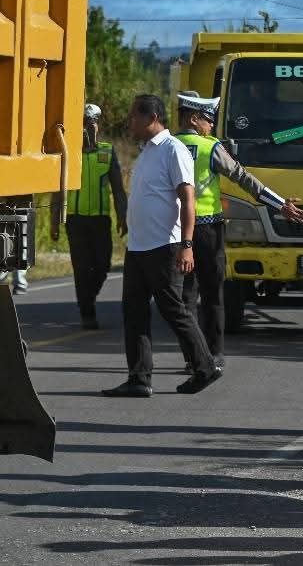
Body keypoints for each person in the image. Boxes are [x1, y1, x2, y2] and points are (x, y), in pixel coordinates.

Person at [174, 91, 303, 371]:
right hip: (208, 230)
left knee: (186, 297)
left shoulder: (165, 145)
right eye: (208, 119)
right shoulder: (210, 148)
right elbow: (243, 178)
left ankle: (192, 356)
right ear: (193, 118)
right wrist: (280, 204)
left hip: (174, 233)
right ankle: (213, 353)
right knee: (212, 295)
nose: (211, 125)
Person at [102, 94, 222, 398]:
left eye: (133, 115)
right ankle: (139, 378)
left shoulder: (173, 149)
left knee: (173, 309)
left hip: (164, 246)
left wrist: (187, 245)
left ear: (151, 117)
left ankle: (205, 367)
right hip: (139, 247)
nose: (129, 121)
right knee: (134, 311)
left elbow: (188, 199)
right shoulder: (147, 152)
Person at [54, 103, 127, 329]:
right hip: (75, 220)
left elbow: (118, 188)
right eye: (85, 122)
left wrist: (123, 217)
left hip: (100, 219)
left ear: (99, 124)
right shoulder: (69, 152)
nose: (89, 126)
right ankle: (87, 312)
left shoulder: (107, 151)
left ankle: (89, 297)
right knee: (81, 267)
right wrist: (55, 221)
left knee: (103, 264)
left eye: (93, 122)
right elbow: (59, 189)